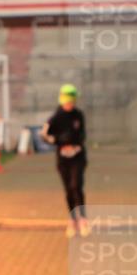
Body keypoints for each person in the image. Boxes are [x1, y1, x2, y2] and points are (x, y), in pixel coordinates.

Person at [42, 84, 90, 238]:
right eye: (68, 101)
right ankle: (72, 219)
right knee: (68, 189)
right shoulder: (56, 117)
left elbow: (82, 134)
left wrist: (74, 144)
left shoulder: (78, 115)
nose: (70, 104)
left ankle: (83, 219)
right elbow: (45, 135)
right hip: (63, 159)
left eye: (72, 101)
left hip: (78, 157)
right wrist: (59, 141)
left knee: (76, 186)